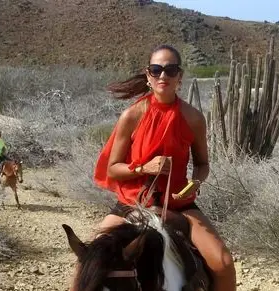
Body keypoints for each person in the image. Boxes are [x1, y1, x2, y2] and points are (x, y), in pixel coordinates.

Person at [91, 45, 236, 290]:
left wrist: (195, 183)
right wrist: (143, 168)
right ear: (148, 75)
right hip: (132, 202)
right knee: (88, 260)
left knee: (223, 263)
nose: (163, 76)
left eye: (170, 70)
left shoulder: (193, 118)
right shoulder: (132, 115)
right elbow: (113, 168)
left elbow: (202, 164)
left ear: (180, 76)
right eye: (156, 70)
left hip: (179, 202)